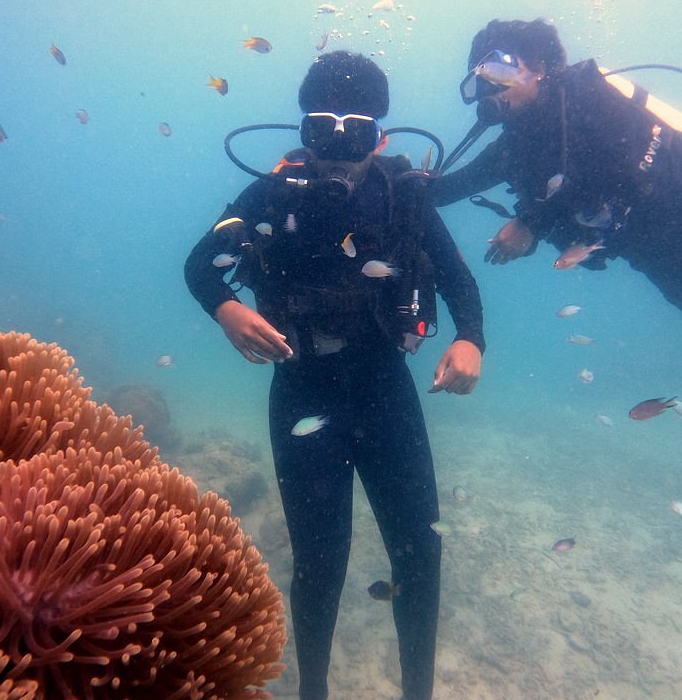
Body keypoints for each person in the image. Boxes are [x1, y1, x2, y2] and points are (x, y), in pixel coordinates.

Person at [184, 51, 485, 700]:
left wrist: (471, 341)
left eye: (358, 135)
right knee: (320, 564)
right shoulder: (268, 196)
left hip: (384, 387)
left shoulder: (405, 197)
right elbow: (200, 265)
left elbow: (460, 281)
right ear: (304, 135)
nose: (340, 153)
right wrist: (227, 308)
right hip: (301, 388)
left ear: (380, 137)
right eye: (324, 132)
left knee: (420, 556)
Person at [433, 18, 682, 364]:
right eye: (479, 83)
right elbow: (448, 189)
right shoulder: (509, 150)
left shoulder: (582, 91)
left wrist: (531, 221)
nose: (489, 91)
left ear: (537, 65)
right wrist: (382, 164)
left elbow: (615, 162)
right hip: (662, 248)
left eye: (497, 73)